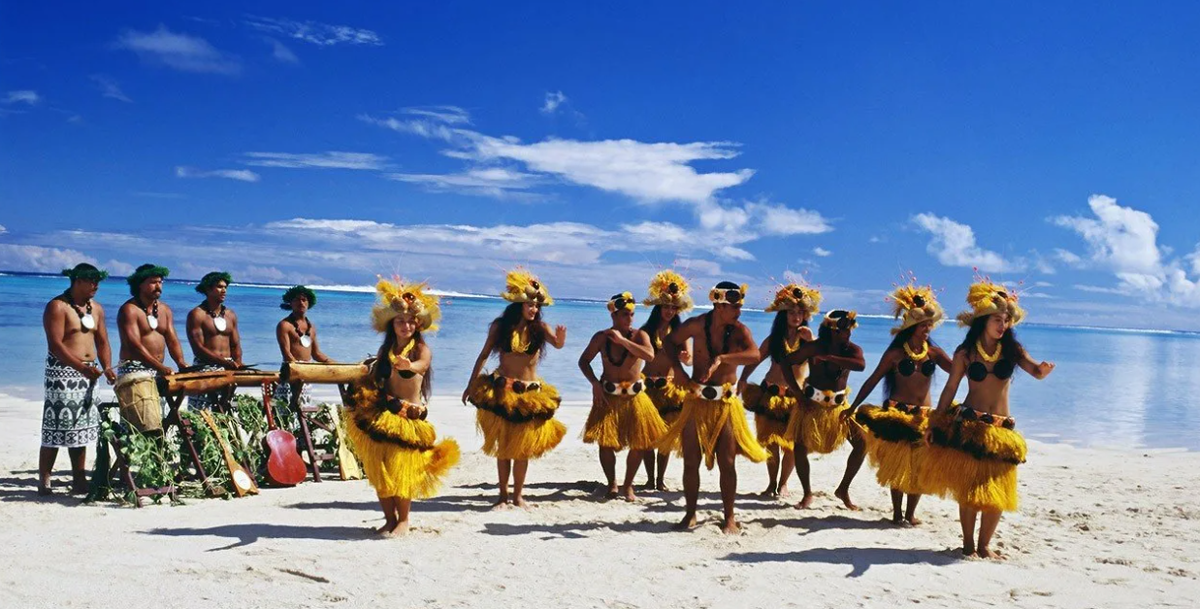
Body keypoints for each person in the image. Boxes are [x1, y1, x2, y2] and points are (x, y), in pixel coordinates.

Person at [926, 279, 1054, 558]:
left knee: (998, 493)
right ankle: (969, 545)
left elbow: (1034, 370)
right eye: (997, 319)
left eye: (1006, 320)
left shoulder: (1012, 351)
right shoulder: (965, 353)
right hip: (970, 426)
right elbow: (950, 388)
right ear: (983, 320)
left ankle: (985, 546)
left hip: (1001, 430)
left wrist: (1043, 370)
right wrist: (935, 421)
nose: (1003, 325)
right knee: (969, 491)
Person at [343, 277, 460, 537]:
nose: (405, 325)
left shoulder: (420, 349)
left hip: (408, 420)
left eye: (409, 321)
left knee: (401, 471)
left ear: (417, 324)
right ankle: (388, 519)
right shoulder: (385, 351)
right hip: (383, 415)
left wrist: (410, 366)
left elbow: (423, 366)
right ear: (392, 325)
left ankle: (404, 520)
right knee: (380, 470)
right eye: (399, 321)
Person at [657, 281, 769, 534]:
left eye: (740, 305)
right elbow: (669, 343)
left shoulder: (740, 330)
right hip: (696, 400)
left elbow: (754, 355)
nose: (739, 311)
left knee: (727, 462)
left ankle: (729, 517)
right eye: (734, 307)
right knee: (690, 461)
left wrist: (722, 359)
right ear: (719, 305)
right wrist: (678, 370)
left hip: (726, 403)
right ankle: (690, 514)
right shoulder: (697, 324)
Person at [845, 278, 951, 525]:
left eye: (929, 325)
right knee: (898, 467)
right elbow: (872, 380)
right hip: (896, 416)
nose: (927, 329)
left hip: (923, 417)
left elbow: (958, 372)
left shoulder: (933, 353)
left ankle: (911, 513)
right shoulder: (895, 353)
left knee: (918, 469)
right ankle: (896, 513)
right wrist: (852, 406)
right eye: (923, 325)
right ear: (911, 327)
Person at [463, 268, 568, 509]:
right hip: (503, 391)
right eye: (530, 305)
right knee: (503, 448)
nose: (534, 309)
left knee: (522, 450)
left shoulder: (540, 328)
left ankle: (518, 496)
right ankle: (502, 496)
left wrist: (561, 339)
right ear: (518, 304)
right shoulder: (500, 327)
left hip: (530, 395)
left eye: (537, 306)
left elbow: (558, 345)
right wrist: (470, 385)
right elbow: (483, 355)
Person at [578, 292, 667, 501]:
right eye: (625, 315)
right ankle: (612, 484)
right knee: (605, 443)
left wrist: (623, 341)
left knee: (639, 442)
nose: (630, 319)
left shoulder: (640, 336)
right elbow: (583, 361)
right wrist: (594, 384)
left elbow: (649, 355)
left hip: (635, 397)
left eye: (632, 315)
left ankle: (628, 485)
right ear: (614, 316)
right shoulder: (601, 337)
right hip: (608, 396)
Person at [39, 263, 117, 495]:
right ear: (77, 281)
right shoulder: (57, 306)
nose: (95, 285)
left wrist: (108, 367)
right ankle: (44, 479)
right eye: (91, 281)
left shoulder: (97, 309)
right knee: (56, 425)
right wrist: (79, 368)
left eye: (97, 281)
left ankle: (79, 479)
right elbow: (55, 345)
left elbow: (103, 342)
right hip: (61, 373)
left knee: (81, 428)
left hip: (89, 373)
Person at [738, 283, 820, 498]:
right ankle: (771, 483)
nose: (795, 316)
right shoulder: (774, 339)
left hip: (796, 399)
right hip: (769, 396)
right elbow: (755, 359)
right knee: (771, 444)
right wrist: (743, 379)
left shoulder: (808, 341)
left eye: (800, 312)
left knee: (791, 446)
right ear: (783, 315)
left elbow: (819, 367)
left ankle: (783, 484)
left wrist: (811, 341)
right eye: (791, 312)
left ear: (805, 315)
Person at [781, 309, 866, 509]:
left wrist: (830, 359)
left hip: (838, 407)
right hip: (811, 406)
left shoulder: (852, 350)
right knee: (800, 447)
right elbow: (786, 362)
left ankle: (843, 489)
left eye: (850, 330)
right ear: (833, 331)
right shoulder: (814, 347)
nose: (849, 334)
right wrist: (797, 393)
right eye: (845, 331)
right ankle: (807, 494)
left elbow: (860, 366)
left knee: (862, 444)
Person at [639, 270, 693, 491]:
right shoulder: (645, 331)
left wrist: (686, 358)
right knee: (646, 437)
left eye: (674, 308)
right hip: (646, 388)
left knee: (664, 438)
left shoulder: (680, 333)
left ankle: (660, 480)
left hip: (669, 390)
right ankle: (649, 479)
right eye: (666, 307)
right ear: (658, 308)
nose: (670, 311)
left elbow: (689, 361)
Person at [117, 264, 188, 415]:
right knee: (139, 423)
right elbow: (134, 344)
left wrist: (181, 362)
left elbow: (172, 339)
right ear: (139, 285)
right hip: (134, 370)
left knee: (157, 418)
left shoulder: (165, 310)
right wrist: (160, 367)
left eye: (160, 282)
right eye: (153, 282)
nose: (158, 286)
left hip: (157, 371)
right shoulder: (129, 310)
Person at [185, 271, 242, 410]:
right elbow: (198, 349)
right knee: (202, 415)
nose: (224, 290)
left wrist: (238, 364)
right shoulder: (197, 314)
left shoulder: (230, 315)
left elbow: (235, 345)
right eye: (219, 287)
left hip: (228, 369)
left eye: (225, 287)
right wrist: (224, 362)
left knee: (226, 413)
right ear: (207, 289)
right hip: (205, 367)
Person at [274, 285, 332, 410]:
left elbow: (316, 354)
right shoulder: (284, 325)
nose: (301, 302)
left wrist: (333, 364)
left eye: (304, 299)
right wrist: (298, 370)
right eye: (297, 299)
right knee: (285, 412)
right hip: (290, 372)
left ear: (309, 303)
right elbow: (287, 354)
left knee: (303, 411)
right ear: (290, 302)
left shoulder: (312, 327)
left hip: (307, 373)